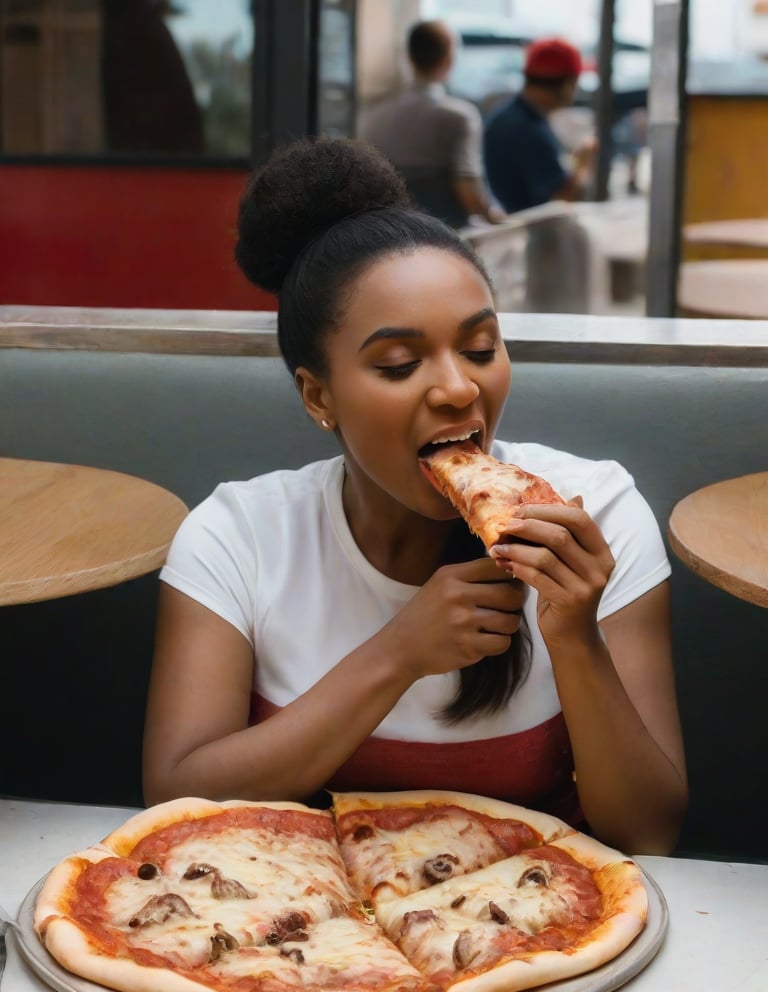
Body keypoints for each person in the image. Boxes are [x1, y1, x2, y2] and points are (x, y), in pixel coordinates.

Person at [142, 135, 688, 856]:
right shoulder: (238, 534)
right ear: (318, 396)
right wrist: (396, 655)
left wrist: (574, 634)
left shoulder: (597, 511)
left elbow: (649, 833)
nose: (459, 388)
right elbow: (176, 805)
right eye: (400, 364)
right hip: (296, 925)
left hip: (536, 917)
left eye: (481, 349)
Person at [359, 19, 504, 229]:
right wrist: (495, 218)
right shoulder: (458, 117)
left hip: (391, 234)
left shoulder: (374, 116)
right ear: (449, 58)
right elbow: (467, 191)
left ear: (409, 58)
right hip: (445, 236)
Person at [484, 38, 596, 213]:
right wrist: (583, 163)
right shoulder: (530, 130)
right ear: (568, 85)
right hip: (527, 233)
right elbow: (561, 200)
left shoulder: (506, 117)